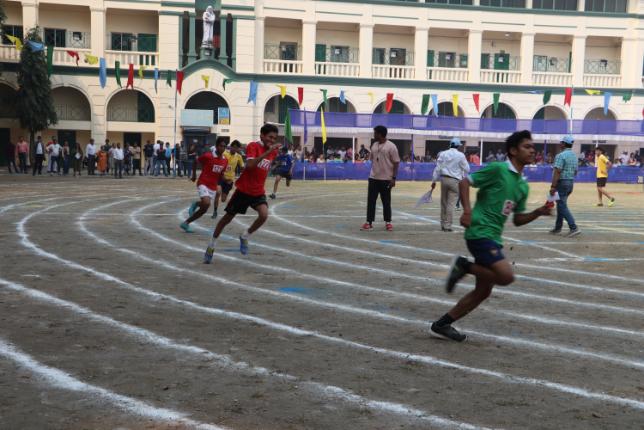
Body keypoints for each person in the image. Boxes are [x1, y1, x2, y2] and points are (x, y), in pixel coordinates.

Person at [430, 130, 552, 342]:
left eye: (533, 147)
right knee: (506, 276)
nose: (532, 150)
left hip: (493, 237)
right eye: (527, 146)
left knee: (483, 291)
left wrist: (538, 212)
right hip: (479, 232)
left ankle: (442, 324)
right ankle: (464, 266)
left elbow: (518, 220)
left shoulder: (522, 186)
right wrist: (467, 212)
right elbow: (465, 182)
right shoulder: (498, 169)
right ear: (513, 150)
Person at [203, 124, 281, 262]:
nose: (272, 140)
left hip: (258, 191)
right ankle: (211, 245)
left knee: (264, 215)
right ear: (262, 135)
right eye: (270, 137)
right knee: (226, 219)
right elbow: (249, 166)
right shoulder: (253, 146)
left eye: (274, 138)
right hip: (243, 190)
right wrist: (268, 152)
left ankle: (245, 235)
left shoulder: (274, 152)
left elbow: (266, 167)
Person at [181, 138, 228, 232]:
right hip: (203, 182)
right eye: (221, 146)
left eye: (224, 146)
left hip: (213, 186)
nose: (222, 148)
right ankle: (196, 204)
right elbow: (196, 161)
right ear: (216, 146)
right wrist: (194, 175)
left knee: (204, 209)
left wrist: (227, 180)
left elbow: (221, 174)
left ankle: (186, 223)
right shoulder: (208, 156)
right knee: (206, 203)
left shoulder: (225, 160)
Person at [360, 125, 400, 232]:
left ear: (380, 134)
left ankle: (388, 222)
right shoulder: (374, 145)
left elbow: (396, 162)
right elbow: (372, 159)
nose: (373, 135)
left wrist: (394, 178)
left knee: (386, 201)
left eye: (375, 133)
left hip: (386, 179)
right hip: (373, 178)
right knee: (371, 201)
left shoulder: (391, 146)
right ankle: (369, 223)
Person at [430, 137, 470, 232]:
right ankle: (447, 226)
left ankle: (442, 224)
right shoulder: (461, 155)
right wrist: (461, 172)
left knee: (443, 203)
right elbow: (467, 169)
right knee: (450, 204)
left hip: (444, 179)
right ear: (458, 146)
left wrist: (433, 181)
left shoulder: (443, 154)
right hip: (455, 181)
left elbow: (437, 169)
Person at [549, 135, 580, 237]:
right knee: (561, 205)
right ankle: (558, 228)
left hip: (562, 182)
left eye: (561, 142)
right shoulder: (574, 156)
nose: (560, 144)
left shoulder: (560, 156)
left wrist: (553, 186)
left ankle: (573, 227)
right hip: (570, 182)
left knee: (562, 205)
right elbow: (575, 172)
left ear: (563, 144)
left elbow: (557, 171)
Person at [212, 140, 244, 219]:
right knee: (218, 193)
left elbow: (242, 167)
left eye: (237, 148)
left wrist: (244, 173)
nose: (235, 149)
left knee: (223, 199)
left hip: (229, 180)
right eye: (234, 147)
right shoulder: (224, 153)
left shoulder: (238, 156)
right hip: (221, 177)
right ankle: (215, 211)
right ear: (230, 147)